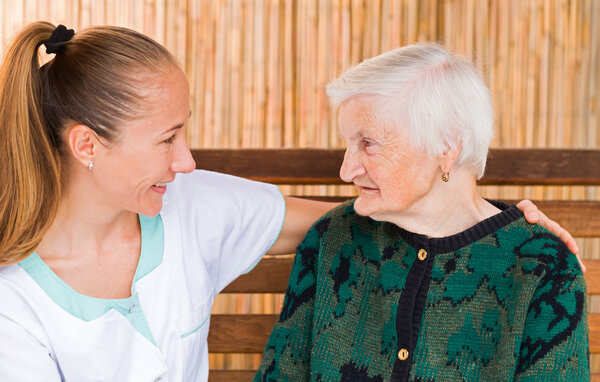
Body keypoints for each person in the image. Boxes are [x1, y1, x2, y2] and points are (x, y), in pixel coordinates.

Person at [0, 23, 580, 381]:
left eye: (368, 144)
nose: (188, 161)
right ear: (86, 146)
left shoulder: (194, 205)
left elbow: (401, 211)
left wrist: (497, 226)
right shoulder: (13, 302)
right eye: (167, 138)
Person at [255, 43, 589, 381]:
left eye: (368, 143)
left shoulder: (541, 267)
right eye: (348, 143)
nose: (346, 170)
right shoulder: (333, 237)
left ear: (446, 145)